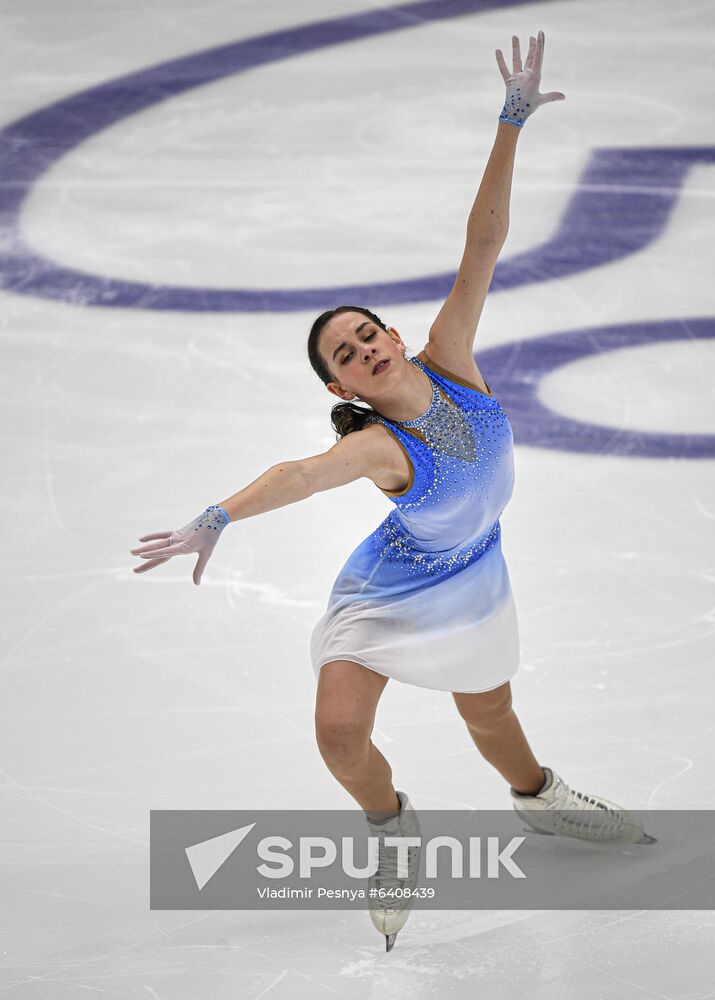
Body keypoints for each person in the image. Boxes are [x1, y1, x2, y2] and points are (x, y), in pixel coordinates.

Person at [131, 31, 654, 952]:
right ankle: (391, 826)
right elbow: (299, 475)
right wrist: (216, 516)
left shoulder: (452, 359)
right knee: (339, 734)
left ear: (394, 335)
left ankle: (541, 802)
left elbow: (483, 240)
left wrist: (511, 124)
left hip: (474, 577)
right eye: (346, 354)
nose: (366, 348)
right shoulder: (379, 445)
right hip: (391, 588)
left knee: (491, 720)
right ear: (342, 387)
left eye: (367, 333)